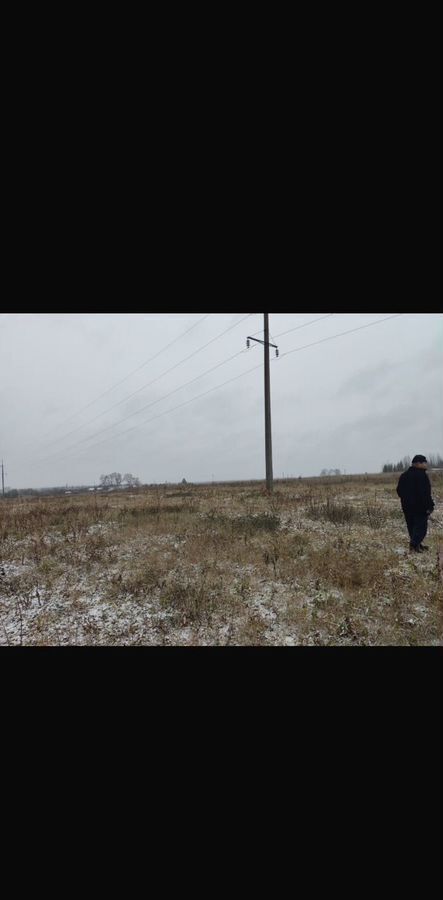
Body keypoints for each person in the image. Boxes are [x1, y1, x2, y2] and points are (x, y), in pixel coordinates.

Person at [396, 455, 435, 552]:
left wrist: (406, 499)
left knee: (412, 527)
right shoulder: (422, 475)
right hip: (420, 507)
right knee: (421, 528)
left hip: (407, 507)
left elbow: (398, 490)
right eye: (424, 462)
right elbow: (425, 493)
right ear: (418, 464)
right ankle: (414, 545)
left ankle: (417, 545)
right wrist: (430, 506)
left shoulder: (404, 475)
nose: (426, 464)